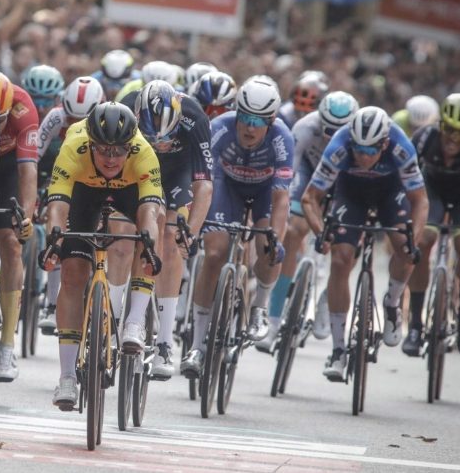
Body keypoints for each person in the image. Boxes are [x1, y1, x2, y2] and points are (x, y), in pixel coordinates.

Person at [41, 102, 163, 410]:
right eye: (103, 151)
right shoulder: (73, 146)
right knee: (72, 275)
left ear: (130, 147)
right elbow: (57, 206)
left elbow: (149, 210)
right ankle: (67, 377)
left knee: (148, 238)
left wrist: (148, 244)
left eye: (118, 151)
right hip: (83, 193)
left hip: (130, 190)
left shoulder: (143, 152)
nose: (111, 158)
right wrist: (54, 241)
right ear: (91, 144)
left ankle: (134, 322)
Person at [301, 106, 427, 381]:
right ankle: (338, 350)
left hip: (390, 191)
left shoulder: (400, 146)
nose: (362, 156)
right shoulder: (339, 145)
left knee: (405, 248)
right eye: (358, 149)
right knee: (341, 259)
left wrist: (413, 242)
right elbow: (311, 198)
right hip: (351, 192)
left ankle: (392, 303)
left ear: (384, 144)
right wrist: (321, 232)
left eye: (370, 151)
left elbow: (420, 200)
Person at [180, 76, 293, 378]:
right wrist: (194, 227)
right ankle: (197, 343)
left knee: (267, 248)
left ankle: (260, 308)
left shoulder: (283, 138)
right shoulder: (219, 128)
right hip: (225, 186)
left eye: (258, 120)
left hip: (264, 192)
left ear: (271, 120)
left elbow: (282, 198)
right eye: (244, 116)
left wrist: (276, 239)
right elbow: (202, 182)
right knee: (214, 253)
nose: (249, 126)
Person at [262, 91, 359, 352]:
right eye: (329, 130)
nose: (334, 137)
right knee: (295, 230)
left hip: (344, 180)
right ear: (319, 120)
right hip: (309, 173)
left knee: (349, 242)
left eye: (341, 131)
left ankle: (328, 298)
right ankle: (273, 319)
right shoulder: (305, 127)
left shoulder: (359, 136)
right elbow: (288, 172)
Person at [129, 81, 213, 379]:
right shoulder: (126, 107)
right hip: (137, 167)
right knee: (140, 225)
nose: (159, 143)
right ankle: (131, 320)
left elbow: (203, 186)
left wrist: (190, 231)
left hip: (177, 171)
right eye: (152, 137)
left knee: (170, 234)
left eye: (165, 137)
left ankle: (165, 342)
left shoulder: (195, 117)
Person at [404, 94, 460, 356]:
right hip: (432, 191)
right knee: (424, 240)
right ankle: (416, 323)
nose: (454, 138)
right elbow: (405, 182)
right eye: (450, 130)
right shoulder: (424, 138)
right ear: (441, 124)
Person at [0, 70, 39, 382]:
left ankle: (7, 348)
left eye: (0, 119)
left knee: (11, 242)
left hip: (8, 167)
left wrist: (25, 216)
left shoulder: (24, 108)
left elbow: (28, 171)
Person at [35, 76, 105, 332]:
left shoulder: (108, 119)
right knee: (56, 227)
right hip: (63, 174)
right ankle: (52, 303)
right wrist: (36, 194)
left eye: (82, 121)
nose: (75, 126)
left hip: (94, 178)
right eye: (71, 120)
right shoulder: (55, 117)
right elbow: (34, 156)